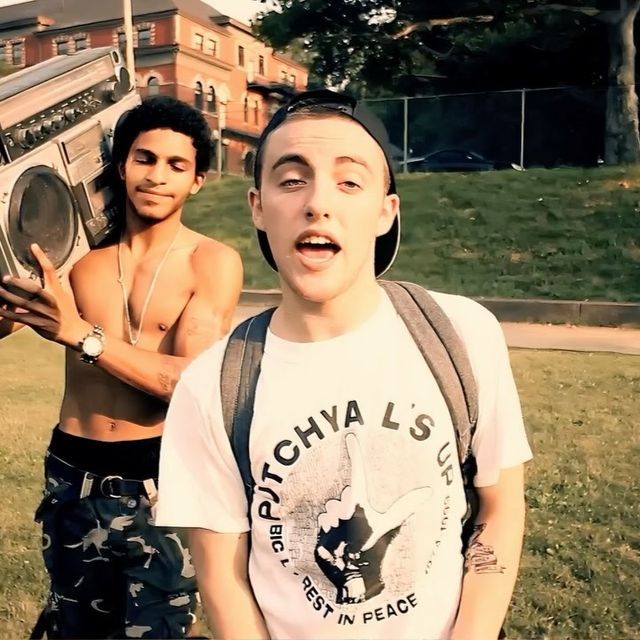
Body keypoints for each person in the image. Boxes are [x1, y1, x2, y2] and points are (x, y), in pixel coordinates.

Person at [156, 89, 533, 640]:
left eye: (350, 181)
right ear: (258, 206)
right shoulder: (211, 386)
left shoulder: (460, 335)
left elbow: (499, 509)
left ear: (385, 211)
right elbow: (222, 578)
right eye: (291, 179)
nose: (317, 202)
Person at [0, 95, 243, 639]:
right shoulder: (74, 257)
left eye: (176, 165)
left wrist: (82, 336)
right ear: (120, 165)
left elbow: (187, 383)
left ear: (197, 181)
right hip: (71, 479)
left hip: (159, 481)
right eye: (144, 158)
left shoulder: (211, 261)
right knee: (73, 628)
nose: (157, 176)